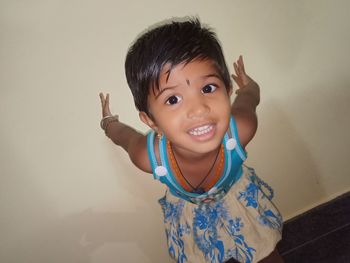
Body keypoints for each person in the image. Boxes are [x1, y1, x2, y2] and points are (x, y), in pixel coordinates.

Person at [99, 18, 283, 263]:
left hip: (238, 202)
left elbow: (248, 99)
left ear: (227, 91)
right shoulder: (148, 156)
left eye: (208, 88)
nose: (198, 110)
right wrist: (108, 122)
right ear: (151, 122)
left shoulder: (241, 129)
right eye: (173, 100)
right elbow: (124, 136)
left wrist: (248, 86)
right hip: (188, 214)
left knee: (264, 253)